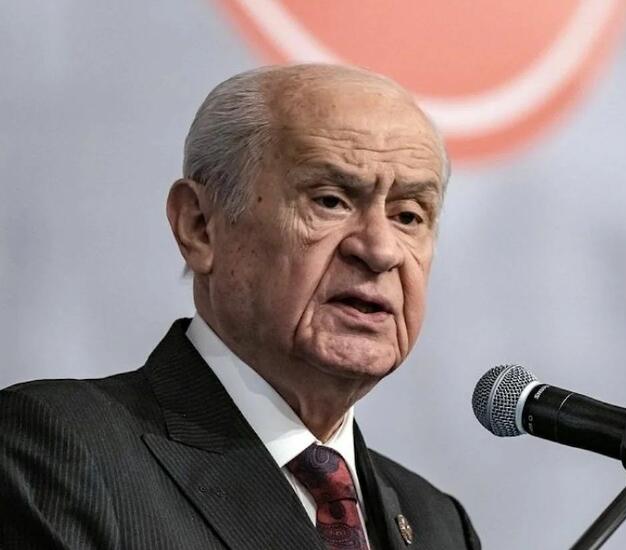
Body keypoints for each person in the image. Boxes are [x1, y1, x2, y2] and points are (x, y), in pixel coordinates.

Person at [0, 64, 481, 549]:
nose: (380, 250)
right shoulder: (57, 454)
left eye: (408, 216)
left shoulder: (440, 525)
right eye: (331, 201)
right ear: (200, 226)